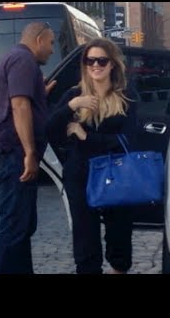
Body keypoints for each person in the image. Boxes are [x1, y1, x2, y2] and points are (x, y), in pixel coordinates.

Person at [46, 37, 138, 274]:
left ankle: (119, 269)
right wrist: (73, 105)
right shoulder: (74, 95)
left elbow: (126, 141)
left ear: (112, 64)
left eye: (101, 60)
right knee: (85, 236)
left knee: (119, 233)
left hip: (115, 174)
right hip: (80, 175)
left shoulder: (127, 97)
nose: (95, 66)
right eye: (89, 61)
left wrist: (86, 137)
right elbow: (49, 129)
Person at [0, 21, 56, 274]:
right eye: (51, 42)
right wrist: (30, 153)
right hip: (12, 153)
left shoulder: (15, 59)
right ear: (38, 40)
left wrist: (40, 96)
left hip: (8, 151)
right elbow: (19, 105)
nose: (51, 49)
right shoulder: (24, 60)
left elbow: (24, 103)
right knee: (13, 226)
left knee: (22, 226)